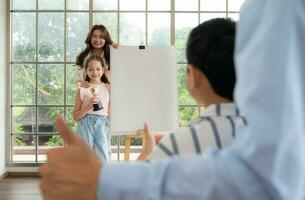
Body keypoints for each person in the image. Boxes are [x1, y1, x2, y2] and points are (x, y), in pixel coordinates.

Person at [39, 0, 305, 199]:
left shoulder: (177, 146)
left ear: (193, 76)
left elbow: (257, 179)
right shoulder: (283, 136)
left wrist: (126, 171)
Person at [138, 18, 247, 161]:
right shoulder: (270, 134)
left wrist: (148, 151)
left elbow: (134, 182)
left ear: (195, 75)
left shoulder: (175, 146)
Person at [73, 55, 110, 162]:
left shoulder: (108, 87)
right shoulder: (81, 89)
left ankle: (103, 177)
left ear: (103, 70)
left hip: (102, 123)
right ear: (86, 71)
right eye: (91, 69)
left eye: (98, 69)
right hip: (85, 123)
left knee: (103, 153)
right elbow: (75, 117)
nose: (95, 72)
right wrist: (88, 107)